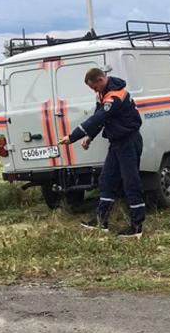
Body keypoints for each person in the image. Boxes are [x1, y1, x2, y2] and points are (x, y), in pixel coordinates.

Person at [58, 68, 145, 237]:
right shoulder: (102, 94)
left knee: (131, 183)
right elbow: (100, 118)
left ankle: (137, 226)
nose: (94, 91)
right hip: (116, 142)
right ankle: (101, 221)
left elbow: (97, 118)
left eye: (94, 87)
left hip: (128, 141)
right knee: (106, 179)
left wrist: (73, 137)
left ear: (100, 80)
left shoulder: (115, 96)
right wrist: (90, 136)